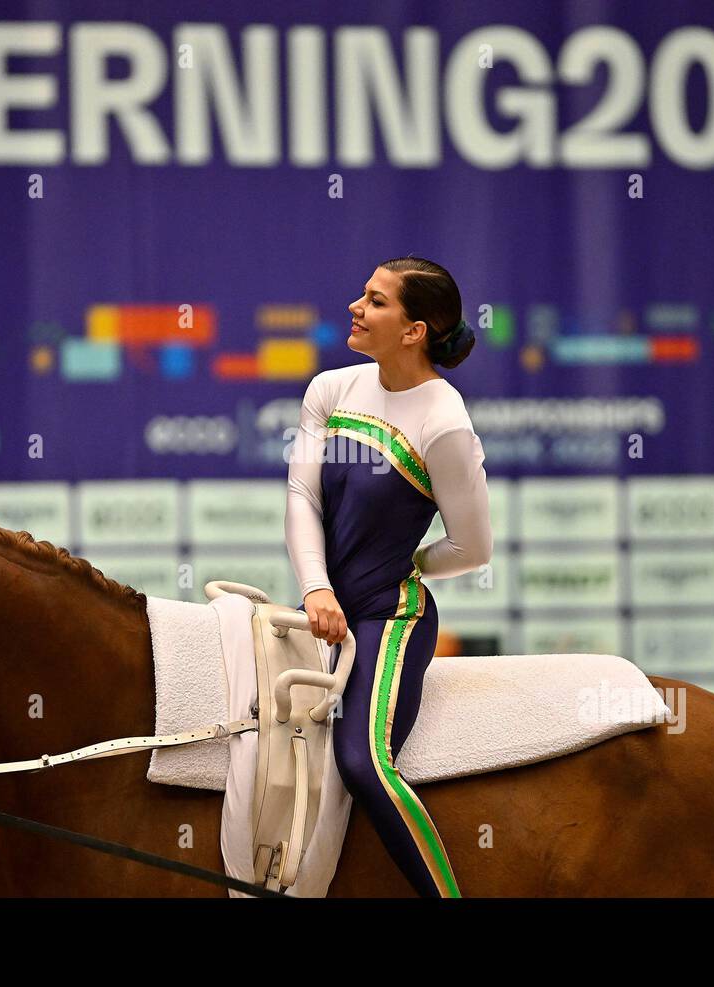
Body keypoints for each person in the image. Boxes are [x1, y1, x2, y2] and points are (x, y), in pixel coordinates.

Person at [284, 256, 492, 898]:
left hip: (389, 617)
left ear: (414, 331)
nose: (355, 307)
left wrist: (407, 567)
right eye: (362, 295)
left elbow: (473, 546)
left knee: (361, 762)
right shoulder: (331, 389)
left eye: (375, 301)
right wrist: (317, 586)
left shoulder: (444, 419)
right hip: (322, 614)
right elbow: (303, 495)